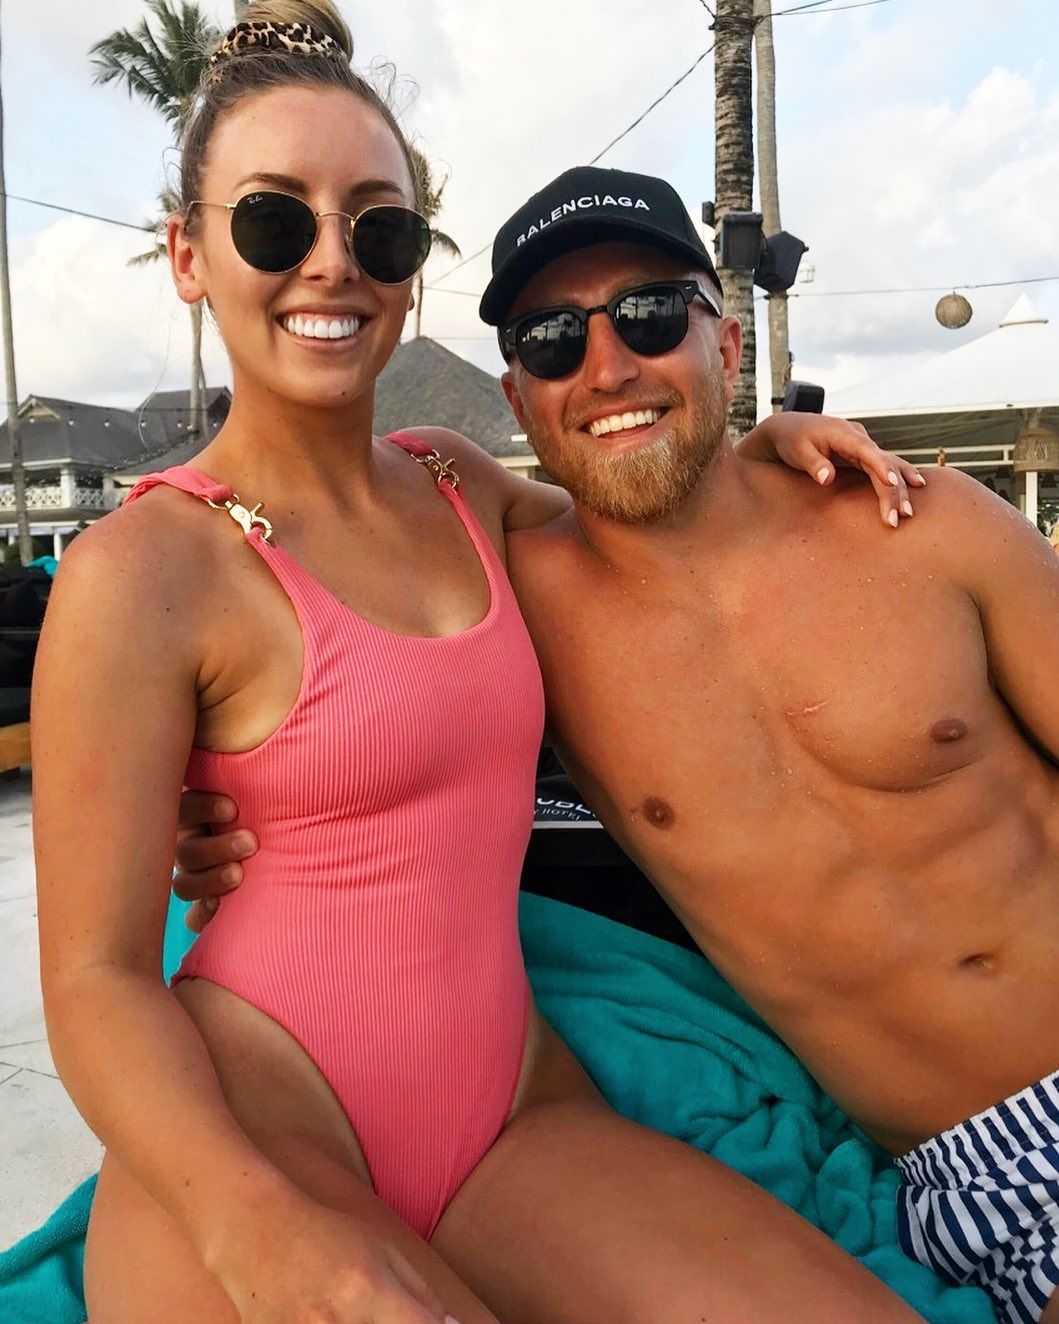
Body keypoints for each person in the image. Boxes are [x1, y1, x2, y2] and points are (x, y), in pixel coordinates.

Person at [33, 9, 926, 1322]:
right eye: (273, 222)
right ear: (187, 255)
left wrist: (758, 453)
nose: (331, 263)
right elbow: (93, 983)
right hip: (259, 1137)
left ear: (409, 269)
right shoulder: (142, 570)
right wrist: (253, 1226)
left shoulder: (456, 484)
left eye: (379, 229)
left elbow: (644, 515)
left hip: (508, 1119)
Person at [182, 162, 1059, 1324]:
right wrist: (222, 806)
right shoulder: (514, 613)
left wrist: (767, 438)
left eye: (648, 316)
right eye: (553, 341)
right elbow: (322, 668)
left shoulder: (925, 524)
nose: (606, 368)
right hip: (981, 1169)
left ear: (725, 343)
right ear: (519, 395)